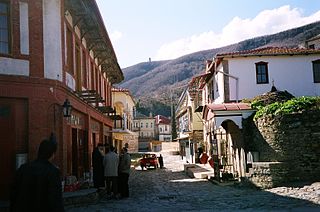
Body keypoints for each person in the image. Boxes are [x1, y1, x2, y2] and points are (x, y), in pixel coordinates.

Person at [10, 136, 64, 212]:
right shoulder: (53, 172)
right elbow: (55, 201)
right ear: (52, 154)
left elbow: (14, 194)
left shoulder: (23, 168)